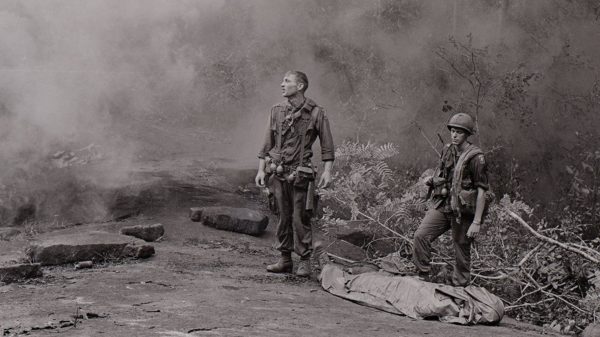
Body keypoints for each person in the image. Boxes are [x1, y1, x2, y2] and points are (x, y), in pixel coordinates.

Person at [255, 71, 334, 277]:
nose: (282, 84)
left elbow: (327, 144)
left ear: (300, 86)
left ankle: (305, 261)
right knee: (282, 216)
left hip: (301, 175)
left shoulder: (316, 113)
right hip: (278, 173)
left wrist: (327, 171)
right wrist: (261, 169)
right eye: (282, 81)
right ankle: (285, 259)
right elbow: (266, 143)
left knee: (300, 218)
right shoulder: (276, 111)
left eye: (287, 81)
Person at [412, 112, 490, 286]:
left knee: (461, 250)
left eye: (459, 132)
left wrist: (476, 222)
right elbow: (442, 173)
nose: (454, 135)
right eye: (452, 131)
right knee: (420, 236)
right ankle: (422, 277)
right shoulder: (447, 150)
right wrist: (432, 180)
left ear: (467, 134)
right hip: (443, 205)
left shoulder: (477, 158)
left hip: (462, 211)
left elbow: (482, 191)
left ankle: (460, 289)